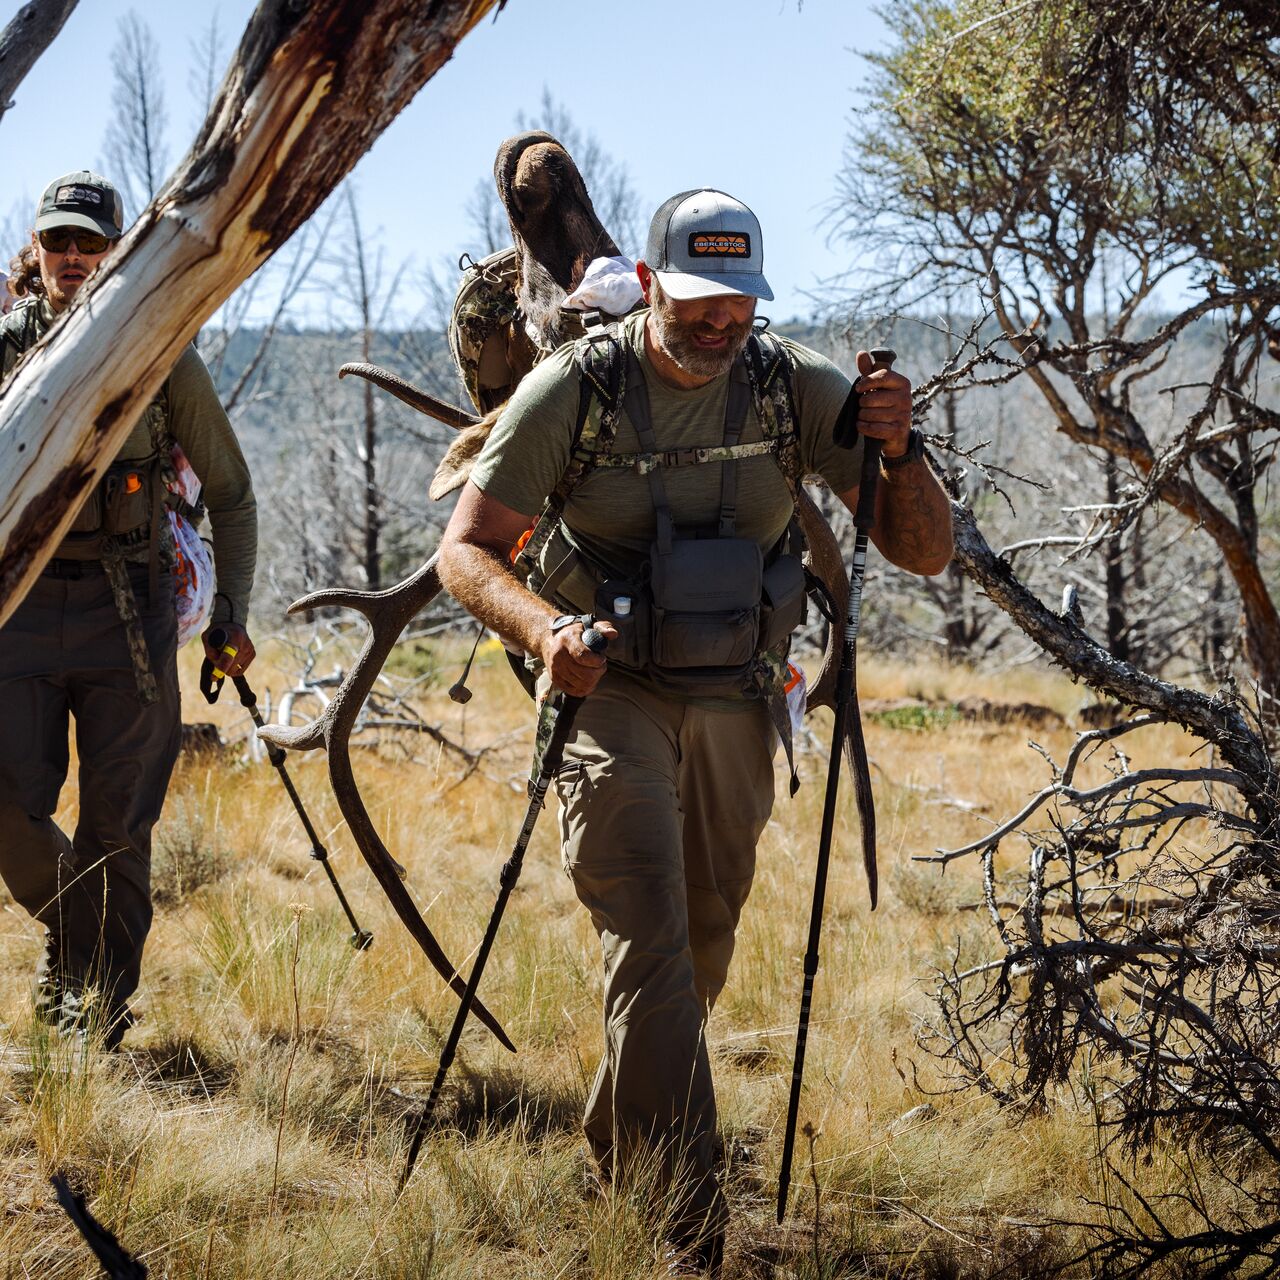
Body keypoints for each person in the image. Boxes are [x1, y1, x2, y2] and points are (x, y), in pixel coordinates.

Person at [438, 189, 953, 1272]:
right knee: (652, 939)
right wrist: (543, 634)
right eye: (699, 305)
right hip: (607, 691)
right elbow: (467, 551)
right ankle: (687, 1228)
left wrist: (897, 451)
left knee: (701, 944)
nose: (720, 327)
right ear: (654, 284)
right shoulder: (576, 388)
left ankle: (615, 1154)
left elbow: (919, 551)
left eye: (739, 306)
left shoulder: (787, 384)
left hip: (736, 694)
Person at [0, 171, 258, 1048]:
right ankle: (76, 941)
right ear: (35, 254)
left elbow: (232, 489)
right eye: (58, 242)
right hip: (19, 611)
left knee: (120, 822)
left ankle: (94, 1015)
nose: (73, 257)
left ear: (115, 255)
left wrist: (232, 614)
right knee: (9, 807)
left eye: (90, 243)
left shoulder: (160, 349)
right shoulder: (4, 350)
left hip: (129, 609)